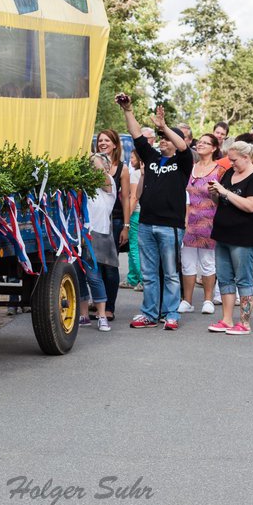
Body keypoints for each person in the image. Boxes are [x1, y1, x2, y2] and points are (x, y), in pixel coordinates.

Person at [118, 95, 191, 330]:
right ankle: (149, 313)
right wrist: (128, 110)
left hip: (170, 226)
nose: (162, 141)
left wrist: (164, 127)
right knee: (149, 274)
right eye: (160, 138)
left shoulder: (183, 162)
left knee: (170, 273)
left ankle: (171, 314)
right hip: (146, 224)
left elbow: (183, 146)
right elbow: (137, 136)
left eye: (166, 139)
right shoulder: (151, 158)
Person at [206, 140, 253, 335]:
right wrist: (215, 193)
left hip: (245, 236)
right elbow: (220, 201)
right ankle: (226, 319)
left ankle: (244, 322)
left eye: (234, 160)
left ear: (246, 157)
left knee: (243, 278)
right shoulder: (229, 173)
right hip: (223, 233)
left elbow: (251, 206)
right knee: (225, 278)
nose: (231, 163)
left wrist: (225, 192)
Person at [180, 131, 224, 315]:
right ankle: (187, 301)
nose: (200, 144)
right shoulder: (190, 167)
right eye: (199, 142)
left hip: (209, 221)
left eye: (206, 143)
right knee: (187, 263)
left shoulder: (219, 170)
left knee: (208, 262)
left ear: (214, 148)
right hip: (188, 221)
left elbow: (223, 197)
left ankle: (208, 300)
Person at [93, 129, 132, 320]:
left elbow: (126, 198)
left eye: (107, 140)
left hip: (114, 220)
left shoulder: (122, 168)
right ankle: (98, 303)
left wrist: (126, 225)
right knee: (95, 264)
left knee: (110, 265)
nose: (103, 143)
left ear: (115, 144)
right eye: (100, 140)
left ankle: (109, 307)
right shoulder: (92, 166)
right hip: (95, 220)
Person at [82, 152, 118, 331]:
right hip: (78, 235)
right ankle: (83, 315)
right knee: (78, 277)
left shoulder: (108, 182)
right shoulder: (84, 184)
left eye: (94, 165)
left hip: (95, 236)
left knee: (94, 277)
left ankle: (102, 315)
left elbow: (99, 169)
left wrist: (89, 153)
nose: (92, 168)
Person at [123, 145, 144, 289]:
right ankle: (132, 278)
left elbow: (134, 197)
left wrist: (127, 216)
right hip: (142, 213)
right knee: (134, 248)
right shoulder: (144, 173)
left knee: (134, 247)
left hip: (135, 213)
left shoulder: (136, 174)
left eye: (132, 157)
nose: (130, 160)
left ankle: (142, 279)